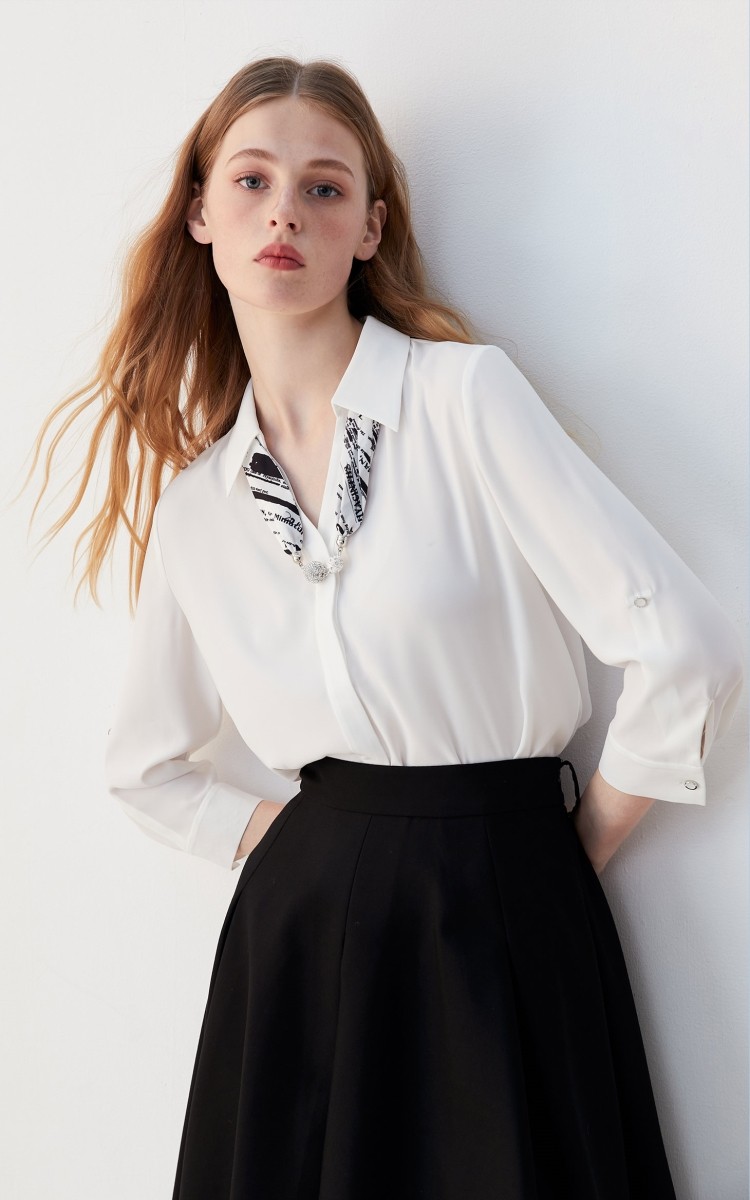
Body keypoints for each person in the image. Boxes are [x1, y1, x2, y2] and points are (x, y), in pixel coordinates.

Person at [30, 55, 743, 1200]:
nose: (284, 212)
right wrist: (321, 845)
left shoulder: (464, 401)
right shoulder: (200, 505)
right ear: (201, 213)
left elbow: (687, 646)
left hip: (505, 899)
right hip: (304, 938)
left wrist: (570, 849)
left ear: (369, 227)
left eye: (324, 187)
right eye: (252, 180)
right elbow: (144, 766)